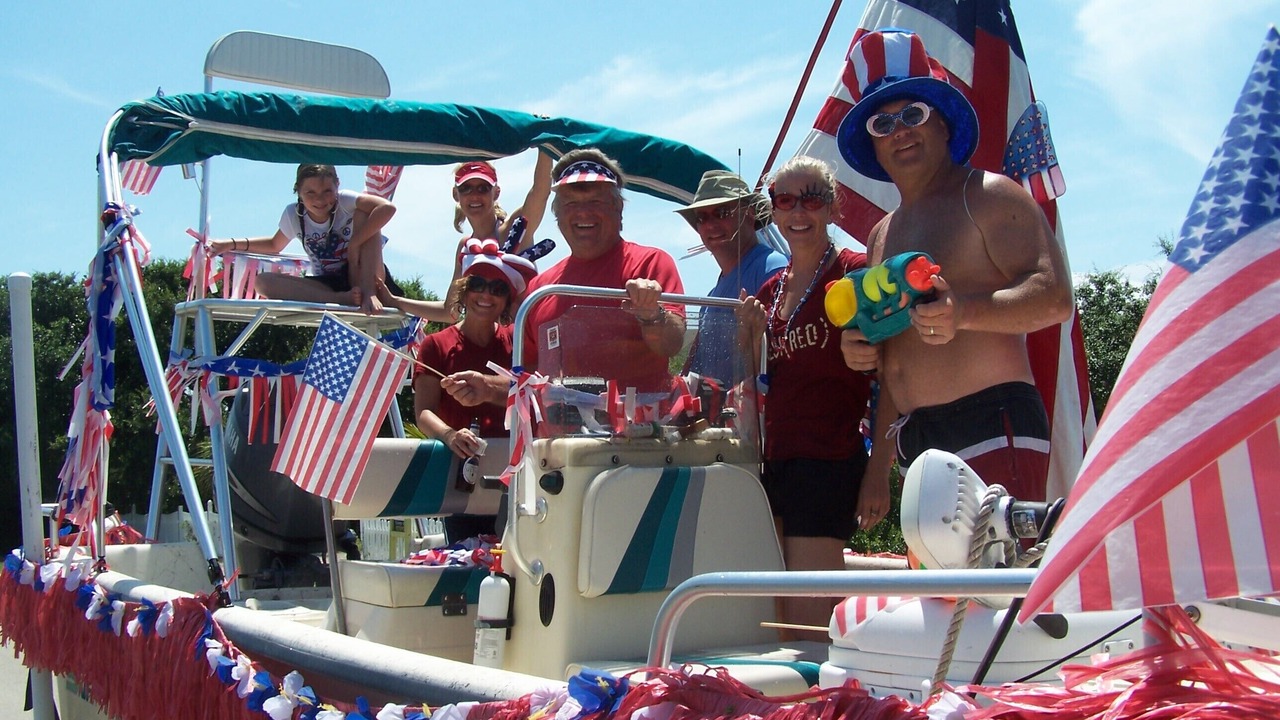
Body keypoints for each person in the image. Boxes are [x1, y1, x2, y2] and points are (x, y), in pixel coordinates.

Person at [834, 29, 1074, 504]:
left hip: (991, 420)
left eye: (912, 114)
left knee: (998, 577)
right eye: (882, 125)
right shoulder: (883, 234)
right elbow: (893, 359)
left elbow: (1054, 296)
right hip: (915, 443)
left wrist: (962, 312)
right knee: (943, 583)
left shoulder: (986, 194)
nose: (899, 130)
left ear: (942, 123)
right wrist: (861, 348)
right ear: (875, 147)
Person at [736, 155, 877, 641]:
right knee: (776, 604)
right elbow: (766, 376)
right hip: (778, 459)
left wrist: (879, 474)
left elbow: (897, 369)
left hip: (829, 459)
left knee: (810, 614)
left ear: (834, 209)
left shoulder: (856, 272)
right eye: (786, 200)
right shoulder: (773, 289)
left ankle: (823, 709)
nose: (799, 211)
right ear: (772, 211)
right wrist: (752, 337)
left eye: (812, 199)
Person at [443, 148, 686, 408]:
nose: (583, 213)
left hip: (640, 441)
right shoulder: (540, 289)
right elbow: (532, 382)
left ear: (619, 210)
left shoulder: (650, 263)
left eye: (596, 202)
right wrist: (487, 387)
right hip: (562, 445)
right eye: (571, 204)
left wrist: (652, 315)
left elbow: (671, 344)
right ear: (558, 217)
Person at [380, 238, 537, 540]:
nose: (486, 294)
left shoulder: (517, 343)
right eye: (477, 284)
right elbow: (423, 413)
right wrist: (450, 435)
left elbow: (533, 396)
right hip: (460, 479)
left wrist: (491, 389)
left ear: (507, 301)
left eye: (498, 288)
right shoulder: (435, 346)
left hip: (515, 479)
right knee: (465, 560)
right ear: (464, 292)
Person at [208, 164, 398, 315]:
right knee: (263, 282)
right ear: (298, 191)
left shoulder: (345, 200)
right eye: (311, 193)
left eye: (327, 191)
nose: (320, 200)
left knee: (366, 213)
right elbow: (274, 245)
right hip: (328, 284)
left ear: (337, 185)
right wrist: (230, 244)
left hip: (364, 274)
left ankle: (369, 293)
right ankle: (339, 298)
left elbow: (387, 208)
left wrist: (355, 244)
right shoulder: (293, 214)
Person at [408, 153, 554, 324]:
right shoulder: (465, 247)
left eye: (483, 188)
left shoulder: (514, 229)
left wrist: (544, 145)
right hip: (488, 343)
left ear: (496, 192)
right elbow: (450, 312)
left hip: (524, 338)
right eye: (466, 188)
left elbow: (540, 191)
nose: (474, 195)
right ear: (456, 194)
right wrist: (394, 301)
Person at [676, 170, 787, 383]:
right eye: (702, 217)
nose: (710, 224)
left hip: (753, 413)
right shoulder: (711, 296)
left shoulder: (772, 269)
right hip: (718, 413)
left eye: (722, 212)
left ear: (750, 214)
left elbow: (782, 360)